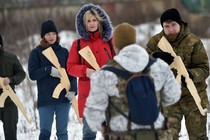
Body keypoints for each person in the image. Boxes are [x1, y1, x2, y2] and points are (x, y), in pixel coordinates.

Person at [83, 22, 181, 140]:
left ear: (115, 45)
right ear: (134, 41)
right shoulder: (159, 66)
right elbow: (173, 96)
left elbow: (93, 111)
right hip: (155, 134)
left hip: (121, 135)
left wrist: (103, 127)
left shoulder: (105, 73)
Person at [146, 8, 209, 140]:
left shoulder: (193, 42)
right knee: (167, 137)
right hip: (168, 99)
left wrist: (191, 75)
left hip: (193, 96)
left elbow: (204, 69)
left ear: (180, 24)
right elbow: (144, 66)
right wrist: (156, 57)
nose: (170, 29)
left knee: (198, 137)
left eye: (173, 24)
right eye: (166, 26)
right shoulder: (155, 42)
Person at [66, 3, 114, 140]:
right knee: (88, 134)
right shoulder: (78, 44)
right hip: (89, 97)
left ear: (99, 21)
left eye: (94, 20)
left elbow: (120, 62)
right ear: (84, 24)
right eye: (88, 21)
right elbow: (70, 66)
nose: (92, 24)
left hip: (109, 94)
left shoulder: (109, 41)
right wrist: (85, 71)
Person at [28, 20, 77, 140]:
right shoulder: (36, 53)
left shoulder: (64, 52)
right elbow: (32, 74)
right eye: (48, 34)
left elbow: (72, 74)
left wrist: (73, 90)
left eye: (53, 33)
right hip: (46, 101)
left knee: (63, 133)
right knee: (45, 133)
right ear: (43, 36)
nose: (51, 37)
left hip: (63, 100)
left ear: (57, 35)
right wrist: (47, 70)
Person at [0, 34, 26, 140]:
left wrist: (10, 79)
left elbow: (21, 74)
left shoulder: (11, 57)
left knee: (10, 135)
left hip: (9, 101)